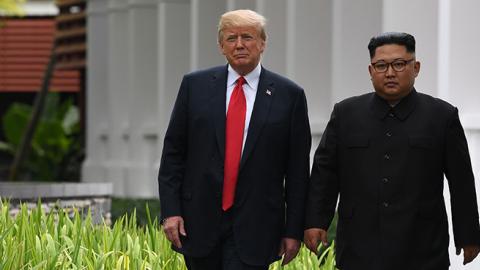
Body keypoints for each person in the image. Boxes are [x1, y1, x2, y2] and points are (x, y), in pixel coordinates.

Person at [304, 32, 480, 270]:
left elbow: (462, 181)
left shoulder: (441, 116)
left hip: (422, 246)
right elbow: (325, 172)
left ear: (416, 67)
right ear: (370, 71)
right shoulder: (346, 114)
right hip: (359, 246)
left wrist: (468, 235)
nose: (389, 73)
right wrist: (316, 221)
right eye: (381, 66)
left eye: (399, 64)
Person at [158, 9, 311, 270]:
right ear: (221, 46)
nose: (239, 44)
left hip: (258, 226)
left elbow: (297, 171)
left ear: (263, 43)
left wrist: (293, 230)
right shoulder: (194, 86)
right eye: (231, 38)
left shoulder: (290, 95)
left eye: (247, 37)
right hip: (199, 223)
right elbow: (174, 153)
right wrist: (171, 211)